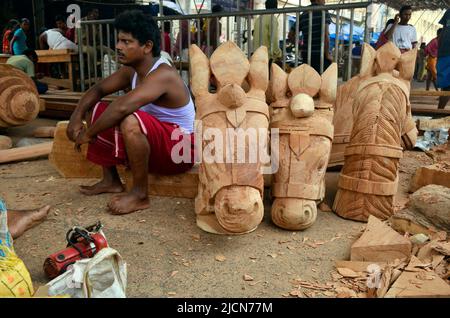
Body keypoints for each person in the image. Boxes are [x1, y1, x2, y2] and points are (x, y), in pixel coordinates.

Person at [66, 10, 195, 215]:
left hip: (180, 151)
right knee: (98, 108)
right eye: (118, 40)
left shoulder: (164, 74)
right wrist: (76, 117)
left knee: (130, 119)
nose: (118, 46)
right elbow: (97, 90)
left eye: (126, 42)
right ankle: (111, 180)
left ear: (147, 46)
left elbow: (123, 107)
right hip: (158, 146)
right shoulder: (132, 70)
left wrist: (88, 134)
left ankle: (140, 195)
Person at [299, 0, 333, 74]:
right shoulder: (323, 11)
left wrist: (301, 47)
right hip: (320, 56)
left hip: (306, 56)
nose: (325, 1)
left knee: (308, 82)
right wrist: (327, 55)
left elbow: (291, 35)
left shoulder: (304, 13)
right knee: (323, 83)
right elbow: (325, 34)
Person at [253, 0, 282, 64]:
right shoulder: (272, 19)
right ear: (276, 8)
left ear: (266, 7)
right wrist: (278, 54)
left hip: (256, 55)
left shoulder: (259, 19)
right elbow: (273, 38)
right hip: (267, 57)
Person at [437, 9, 450, 109]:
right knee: (445, 84)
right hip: (444, 53)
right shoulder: (448, 12)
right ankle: (440, 111)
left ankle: (440, 112)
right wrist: (439, 49)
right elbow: (443, 30)